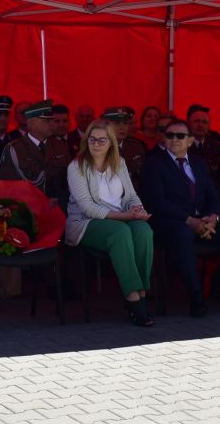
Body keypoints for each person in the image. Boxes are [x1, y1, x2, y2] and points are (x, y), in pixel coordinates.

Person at [143, 119, 220, 317]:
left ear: (190, 140)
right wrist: (190, 221)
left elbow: (213, 195)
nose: (174, 139)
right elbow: (157, 201)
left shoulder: (199, 163)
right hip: (172, 223)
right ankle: (196, 297)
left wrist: (213, 217)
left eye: (180, 136)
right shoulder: (154, 163)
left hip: (202, 221)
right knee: (183, 233)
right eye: (169, 135)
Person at [65, 118, 155, 327]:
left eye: (102, 140)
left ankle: (142, 291)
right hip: (86, 222)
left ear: (111, 143)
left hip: (122, 217)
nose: (96, 144)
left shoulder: (119, 163)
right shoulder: (76, 167)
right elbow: (88, 208)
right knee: (120, 233)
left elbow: (130, 196)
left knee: (144, 230)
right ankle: (133, 298)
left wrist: (138, 211)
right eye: (92, 139)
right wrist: (125, 217)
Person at [0, 100, 68, 204]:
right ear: (33, 123)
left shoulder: (60, 146)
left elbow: (69, 182)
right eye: (47, 121)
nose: (52, 124)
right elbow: (8, 188)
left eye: (52, 120)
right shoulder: (14, 149)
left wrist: (60, 200)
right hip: (27, 208)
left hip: (58, 207)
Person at [187, 104, 220, 193]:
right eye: (196, 121)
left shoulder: (218, 148)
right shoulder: (181, 147)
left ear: (209, 126)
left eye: (204, 122)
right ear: (188, 124)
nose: (200, 125)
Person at [110, 106, 148, 186]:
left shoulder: (136, 147)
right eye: (117, 123)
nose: (122, 127)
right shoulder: (99, 148)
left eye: (125, 123)